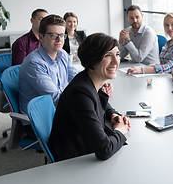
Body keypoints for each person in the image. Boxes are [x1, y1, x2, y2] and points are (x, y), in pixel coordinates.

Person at [48, 33, 131, 161]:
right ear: (93, 59)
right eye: (108, 55)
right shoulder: (80, 93)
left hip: (84, 148)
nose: (116, 61)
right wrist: (120, 131)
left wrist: (112, 115)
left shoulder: (88, 80)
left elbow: (98, 101)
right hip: (73, 163)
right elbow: (104, 149)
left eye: (117, 54)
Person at [19, 14, 78, 116]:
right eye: (53, 35)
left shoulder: (62, 54)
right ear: (41, 37)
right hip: (40, 117)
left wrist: (97, 86)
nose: (59, 40)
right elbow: (55, 98)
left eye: (62, 35)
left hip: (58, 107)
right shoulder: (34, 63)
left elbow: (76, 78)